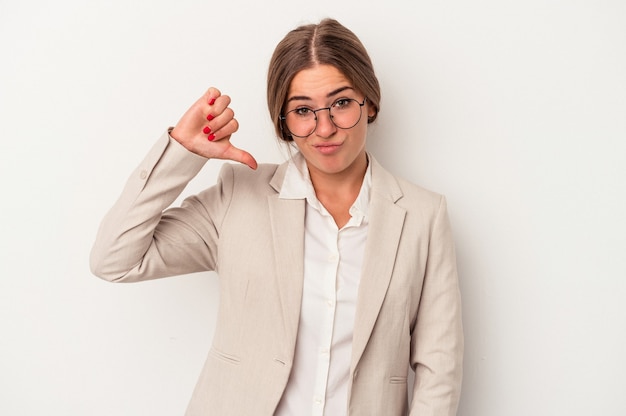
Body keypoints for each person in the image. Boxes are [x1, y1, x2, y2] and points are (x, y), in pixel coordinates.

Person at [90, 18, 463, 416]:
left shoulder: (423, 216)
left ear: (369, 102)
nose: (325, 128)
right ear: (284, 123)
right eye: (303, 110)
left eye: (340, 103)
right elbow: (114, 259)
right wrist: (183, 151)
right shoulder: (239, 197)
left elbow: (439, 368)